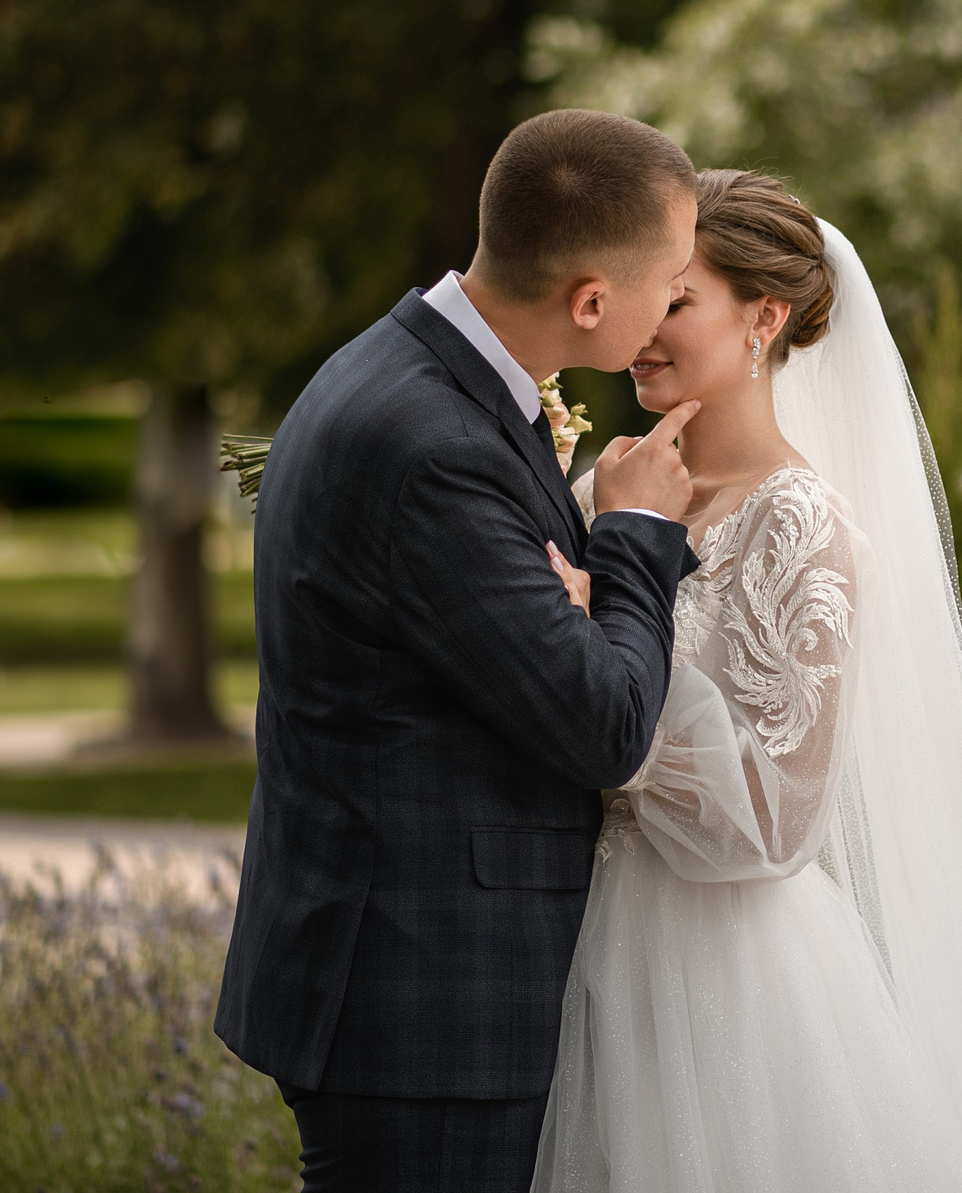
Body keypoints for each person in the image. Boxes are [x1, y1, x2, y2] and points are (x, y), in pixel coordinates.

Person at [533, 171, 962, 1192]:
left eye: (677, 299)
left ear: (766, 318)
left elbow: (772, 822)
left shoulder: (803, 527)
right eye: (641, 292)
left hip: (711, 971)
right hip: (558, 930)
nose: (643, 324)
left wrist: (604, 628)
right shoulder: (598, 484)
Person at [216, 109, 709, 1193]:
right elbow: (606, 725)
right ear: (590, 299)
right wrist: (635, 535)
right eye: (666, 278)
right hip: (424, 999)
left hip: (401, 964)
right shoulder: (430, 445)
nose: (672, 301)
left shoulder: (410, 371)